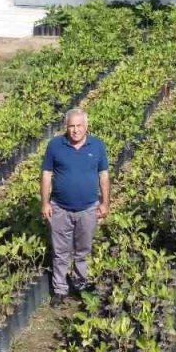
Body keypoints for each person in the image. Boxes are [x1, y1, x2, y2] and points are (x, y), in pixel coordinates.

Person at [41, 108, 110, 304]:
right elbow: (46, 175)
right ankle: (60, 289)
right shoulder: (55, 146)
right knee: (61, 251)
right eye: (71, 126)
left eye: (79, 126)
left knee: (83, 250)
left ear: (86, 127)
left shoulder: (97, 146)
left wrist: (105, 203)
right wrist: (45, 203)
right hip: (59, 208)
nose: (75, 130)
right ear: (66, 127)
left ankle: (81, 284)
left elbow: (103, 175)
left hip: (88, 208)